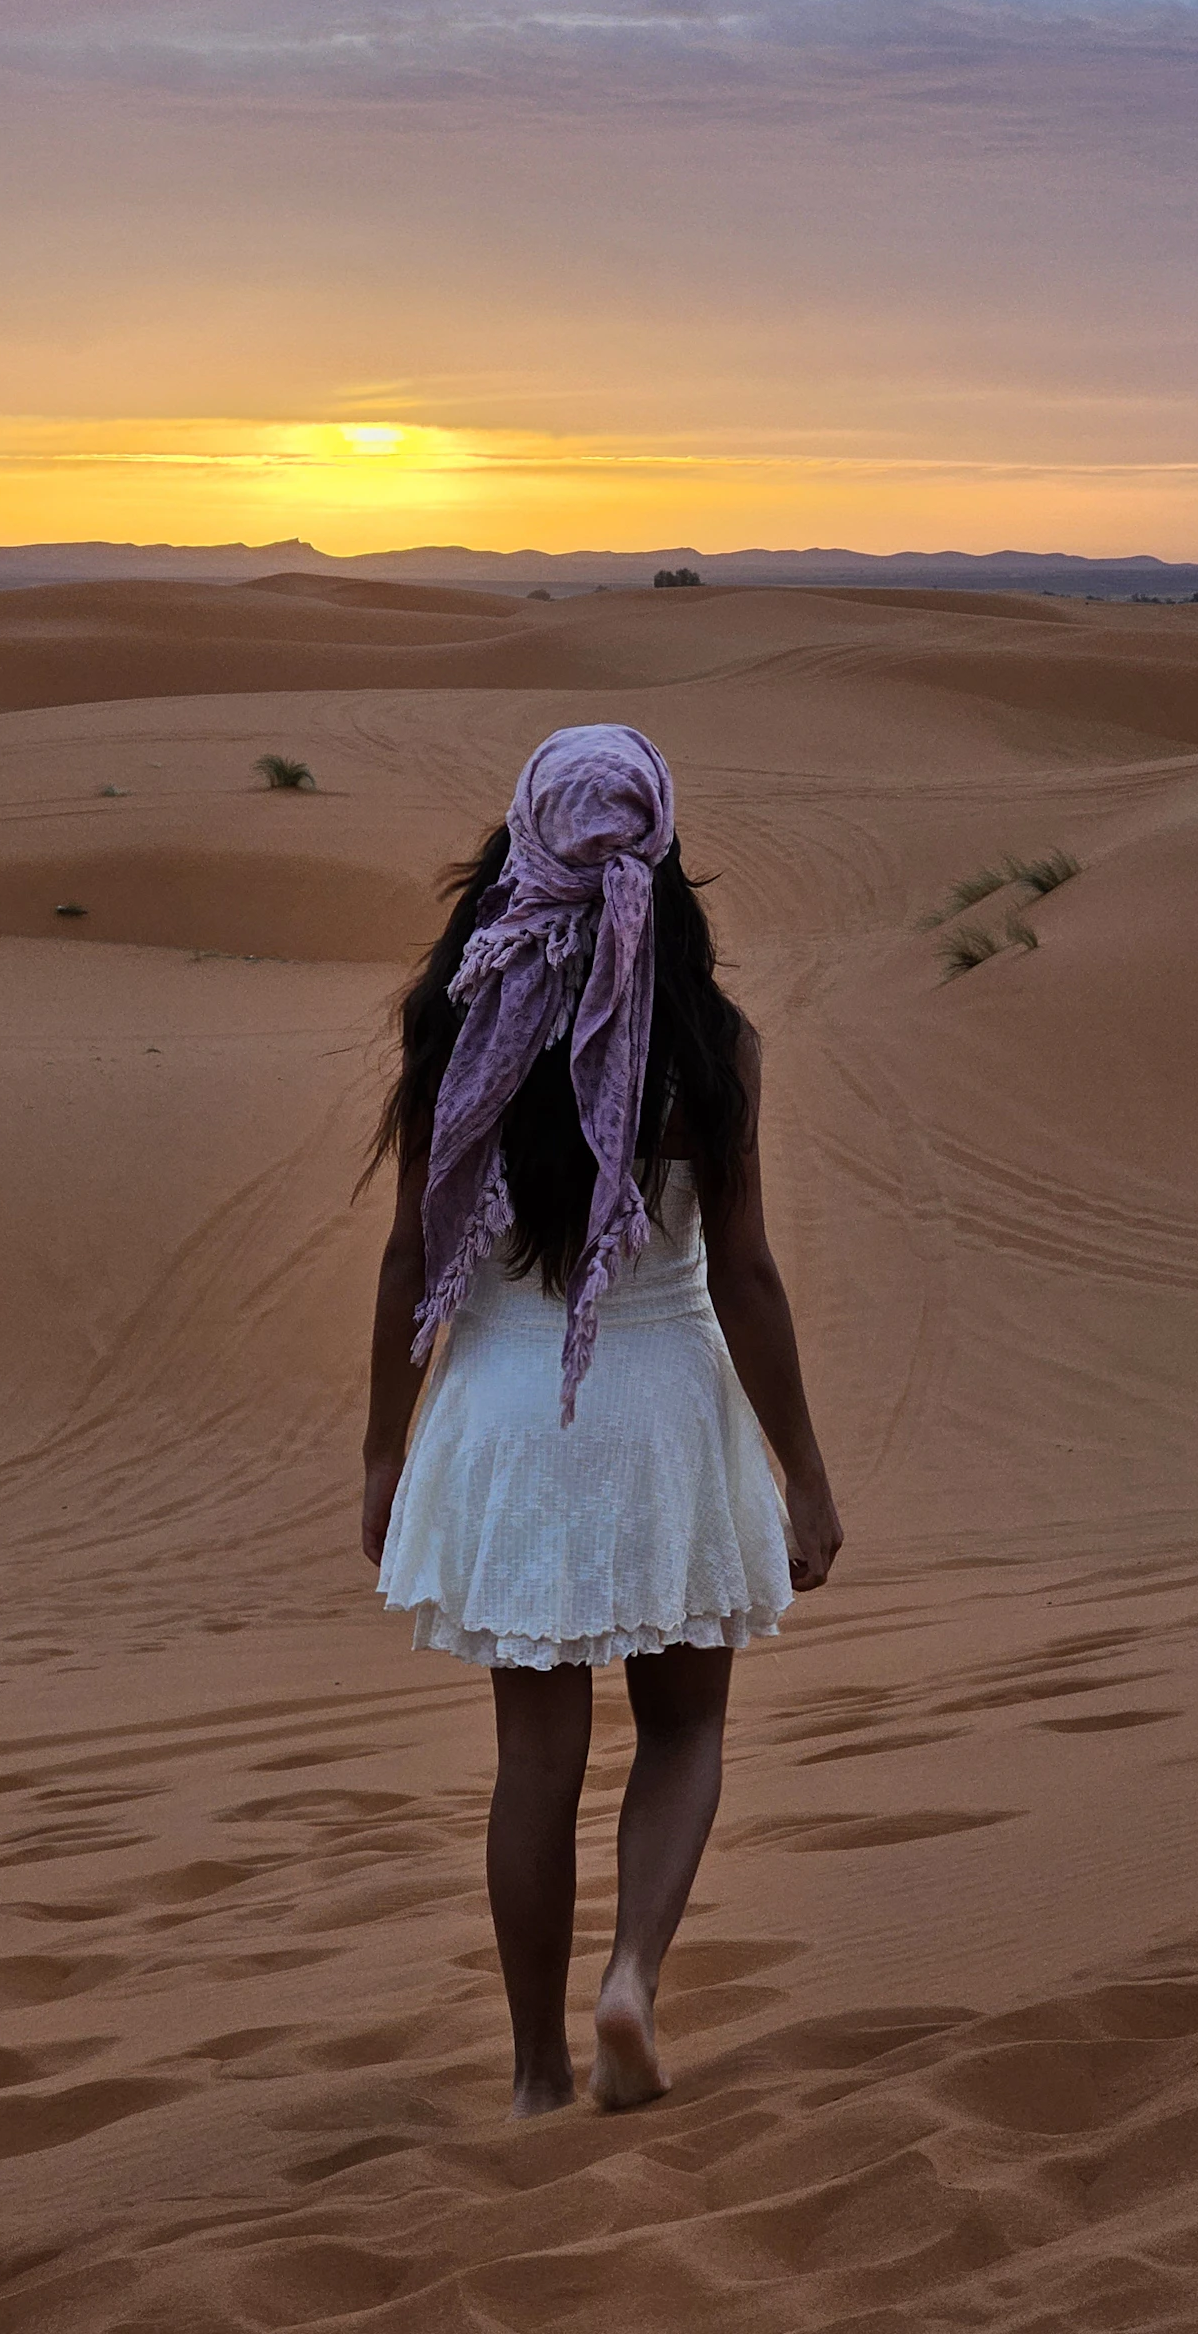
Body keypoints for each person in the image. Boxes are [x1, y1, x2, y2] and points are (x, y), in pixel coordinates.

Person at [360, 723, 842, 2119]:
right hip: (667, 1408)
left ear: (523, 836)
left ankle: (531, 2077)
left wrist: (384, 1451)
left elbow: (410, 1260)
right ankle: (631, 1972)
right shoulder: (712, 1041)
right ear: (662, 849)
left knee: (534, 1762)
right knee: (684, 1730)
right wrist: (803, 1471)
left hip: (511, 1413)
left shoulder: (454, 1013)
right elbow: (743, 1274)